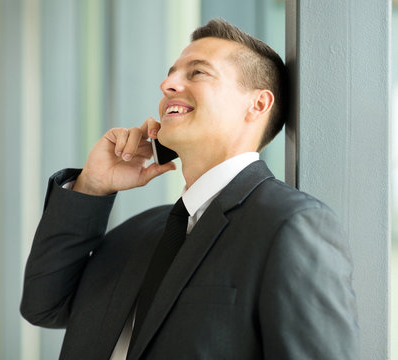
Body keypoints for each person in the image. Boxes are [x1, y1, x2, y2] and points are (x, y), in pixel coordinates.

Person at [20, 18, 359, 360]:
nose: (167, 84)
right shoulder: (139, 232)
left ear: (257, 105)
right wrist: (92, 185)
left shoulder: (291, 225)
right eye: (171, 73)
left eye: (197, 73)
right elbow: (44, 307)